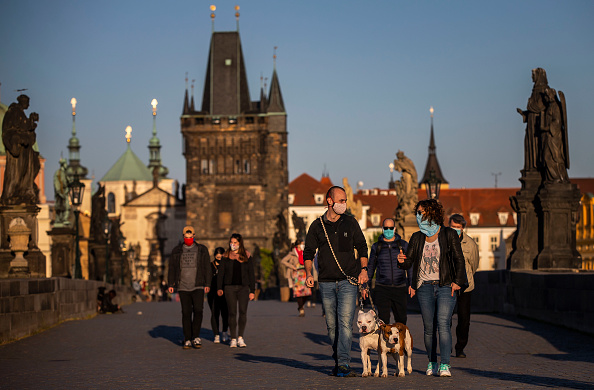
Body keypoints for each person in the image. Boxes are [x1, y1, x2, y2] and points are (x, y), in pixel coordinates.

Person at [304, 185, 369, 377]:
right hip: (325, 282)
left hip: (348, 281)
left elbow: (362, 247)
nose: (344, 204)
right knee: (332, 326)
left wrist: (364, 270)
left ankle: (343, 363)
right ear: (329, 201)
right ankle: (339, 359)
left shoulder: (350, 222)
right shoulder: (317, 226)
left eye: (345, 200)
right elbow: (308, 252)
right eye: (341, 201)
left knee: (345, 323)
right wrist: (309, 274)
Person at [397, 199, 466, 378]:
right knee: (429, 328)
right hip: (424, 287)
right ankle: (432, 362)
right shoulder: (417, 237)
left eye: (422, 212)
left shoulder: (448, 234)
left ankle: (445, 364)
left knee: (443, 325)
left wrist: (457, 281)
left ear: (433, 213)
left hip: (445, 286)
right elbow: (409, 263)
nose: (419, 216)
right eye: (418, 213)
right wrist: (402, 262)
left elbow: (459, 259)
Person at [168, 226, 212, 349]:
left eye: (190, 237)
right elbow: (172, 268)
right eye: (186, 238)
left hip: (198, 285)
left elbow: (207, 268)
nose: (188, 239)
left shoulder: (202, 249)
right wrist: (171, 284)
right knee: (186, 313)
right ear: (183, 237)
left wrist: (207, 284)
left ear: (194, 236)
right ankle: (187, 338)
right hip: (183, 286)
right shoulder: (177, 250)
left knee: (198, 311)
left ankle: (196, 336)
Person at [367, 217, 411, 325]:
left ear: (394, 228)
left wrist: (411, 284)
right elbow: (371, 267)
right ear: (382, 229)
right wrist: (365, 286)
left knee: (401, 320)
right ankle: (384, 341)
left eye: (390, 228)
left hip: (399, 287)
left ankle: (400, 341)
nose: (388, 230)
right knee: (383, 321)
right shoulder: (377, 246)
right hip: (382, 287)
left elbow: (410, 265)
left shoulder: (403, 245)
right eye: (386, 228)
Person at [448, 214, 479, 359]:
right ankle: (446, 345)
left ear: (463, 228)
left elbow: (474, 265)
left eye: (458, 228)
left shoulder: (470, 244)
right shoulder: (444, 242)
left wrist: (464, 278)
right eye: (453, 227)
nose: (455, 230)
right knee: (445, 319)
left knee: (464, 320)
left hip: (465, 287)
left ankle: (460, 347)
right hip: (447, 285)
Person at [217, 233, 256, 348]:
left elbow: (251, 274)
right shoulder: (225, 256)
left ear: (240, 243)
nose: (232, 245)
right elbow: (221, 274)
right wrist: (219, 288)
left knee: (243, 312)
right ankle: (233, 338)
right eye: (231, 242)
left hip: (243, 288)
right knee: (232, 312)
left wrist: (252, 290)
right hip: (229, 288)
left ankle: (240, 337)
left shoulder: (247, 255)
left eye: (235, 243)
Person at [281, 239, 312, 317]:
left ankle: (300, 306)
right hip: (296, 274)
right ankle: (301, 309)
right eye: (301, 244)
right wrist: (292, 267)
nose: (302, 245)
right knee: (298, 293)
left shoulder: (305, 252)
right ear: (298, 245)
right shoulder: (292, 253)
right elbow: (283, 261)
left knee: (307, 293)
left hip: (304, 273)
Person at [208, 247, 229, 344]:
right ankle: (216, 334)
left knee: (225, 313)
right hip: (212, 293)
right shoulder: (210, 266)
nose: (219, 256)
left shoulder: (226, 265)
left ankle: (224, 331)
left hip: (224, 293)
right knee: (214, 313)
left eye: (221, 254)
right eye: (217, 254)